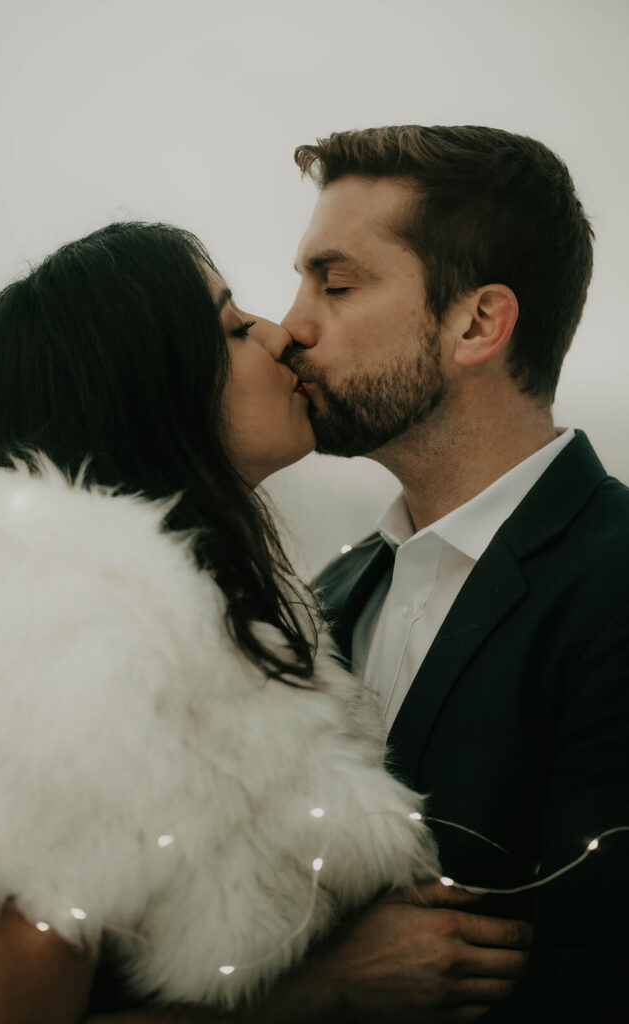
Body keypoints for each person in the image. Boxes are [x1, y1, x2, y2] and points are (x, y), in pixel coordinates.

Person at [0, 221, 449, 1022]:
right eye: (232, 326)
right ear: (147, 389)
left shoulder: (209, 609)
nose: (280, 335)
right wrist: (322, 990)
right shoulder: (64, 637)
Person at [278, 125, 629, 1022]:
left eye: (336, 283)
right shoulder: (330, 594)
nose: (292, 327)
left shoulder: (615, 581)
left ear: (476, 322)